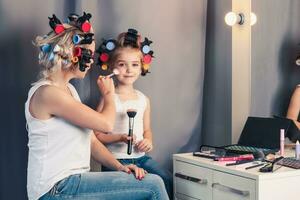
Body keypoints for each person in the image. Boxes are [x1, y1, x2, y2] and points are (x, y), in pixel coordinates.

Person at [25, 13, 169, 200]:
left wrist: (121, 168)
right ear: (72, 54)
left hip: (70, 183)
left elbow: (92, 140)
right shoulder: (48, 94)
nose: (92, 61)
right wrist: (109, 95)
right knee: (154, 185)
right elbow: (106, 125)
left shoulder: (69, 91)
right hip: (56, 188)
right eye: (89, 55)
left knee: (149, 181)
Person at [95, 28, 173, 199]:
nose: (129, 70)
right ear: (111, 67)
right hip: (116, 160)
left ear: (142, 66)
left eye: (135, 64)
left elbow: (147, 130)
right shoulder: (108, 98)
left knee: (166, 178)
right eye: (122, 64)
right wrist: (119, 137)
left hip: (141, 158)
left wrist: (148, 141)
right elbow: (96, 136)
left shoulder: (144, 99)